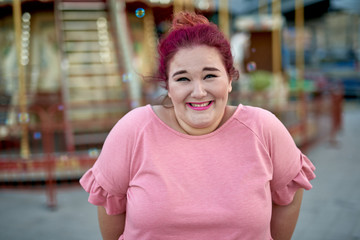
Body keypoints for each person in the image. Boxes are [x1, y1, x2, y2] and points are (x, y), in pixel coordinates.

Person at [80, 12, 316, 240]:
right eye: (183, 79)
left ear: (230, 80)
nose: (199, 92)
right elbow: (111, 207)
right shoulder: (133, 130)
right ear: (168, 88)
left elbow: (290, 194)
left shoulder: (263, 129)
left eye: (210, 76)